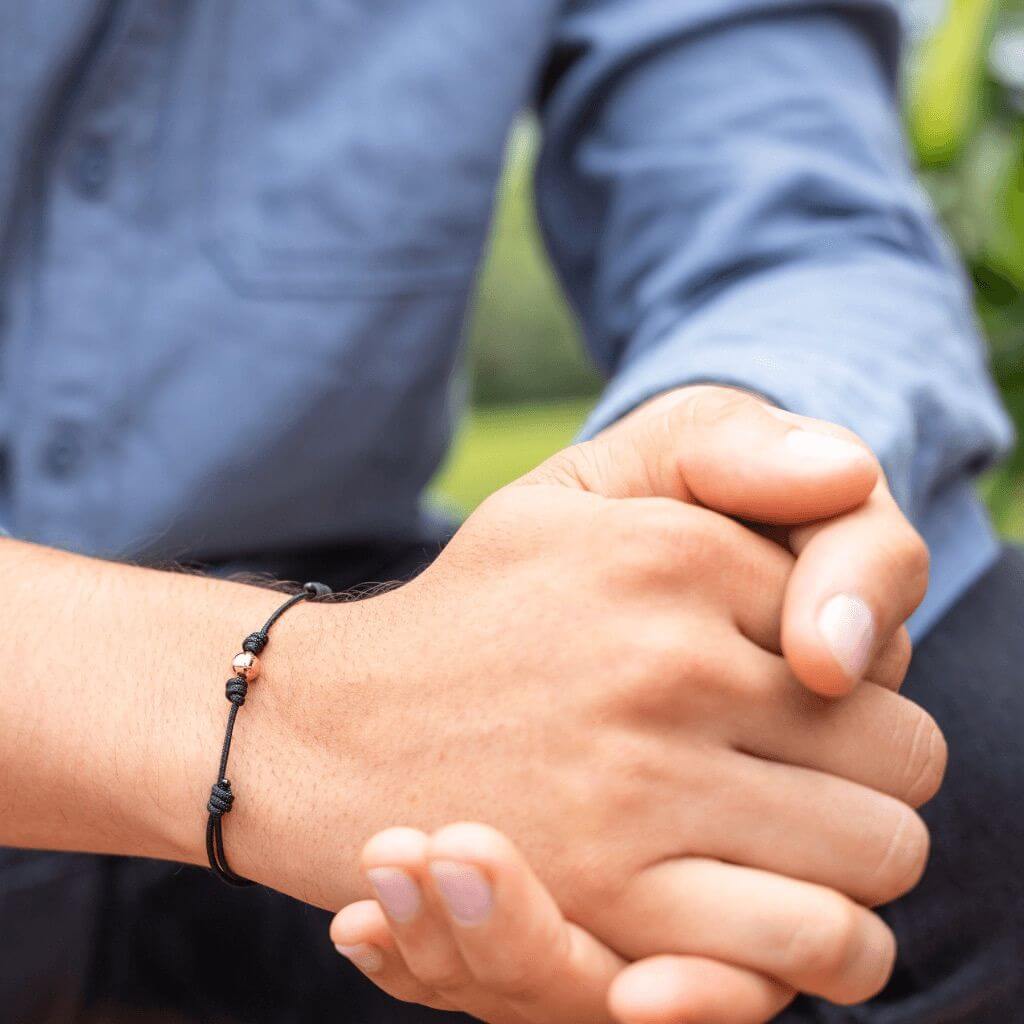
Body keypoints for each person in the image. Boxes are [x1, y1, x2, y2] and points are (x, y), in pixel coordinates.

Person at [0, 1, 1018, 1023]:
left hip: (340, 613)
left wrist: (709, 516)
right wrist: (314, 718)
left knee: (972, 743)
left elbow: (796, 231)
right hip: (310, 696)